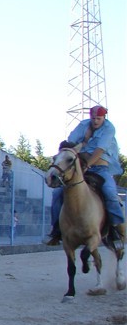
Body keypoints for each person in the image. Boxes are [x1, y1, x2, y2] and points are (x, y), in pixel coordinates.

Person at [48, 105, 124, 245]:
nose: (95, 121)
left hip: (100, 168)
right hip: (79, 167)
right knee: (57, 193)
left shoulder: (109, 128)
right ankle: (56, 230)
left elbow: (99, 150)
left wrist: (87, 165)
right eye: (93, 118)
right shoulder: (83, 125)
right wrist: (84, 141)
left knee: (110, 193)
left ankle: (117, 230)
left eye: (98, 118)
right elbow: (70, 144)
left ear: (104, 118)